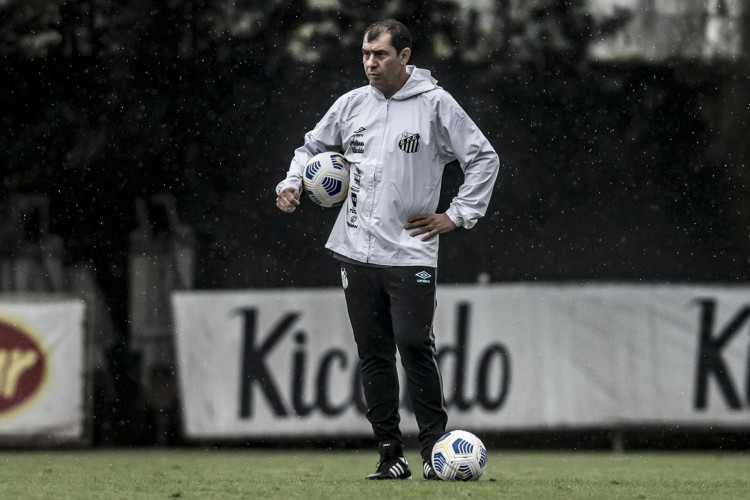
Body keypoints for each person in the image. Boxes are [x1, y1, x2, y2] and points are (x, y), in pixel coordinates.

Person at [275, 18, 499, 480]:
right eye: (365, 54)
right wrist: (292, 182)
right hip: (356, 250)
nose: (370, 63)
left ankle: (436, 452)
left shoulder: (435, 105)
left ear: (405, 57)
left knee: (415, 345)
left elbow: (483, 158)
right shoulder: (352, 104)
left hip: (411, 251)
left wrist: (456, 215)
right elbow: (310, 147)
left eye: (379, 54)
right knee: (373, 353)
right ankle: (389, 454)